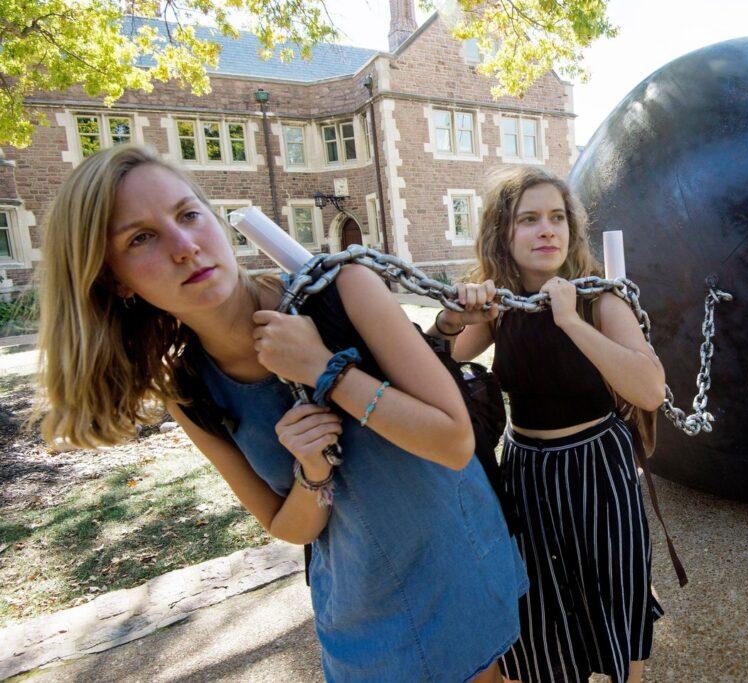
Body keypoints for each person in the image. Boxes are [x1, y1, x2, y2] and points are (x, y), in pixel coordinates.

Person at [34, 144, 527, 682]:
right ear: (115, 280)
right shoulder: (189, 389)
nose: (185, 247)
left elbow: (453, 442)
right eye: (141, 238)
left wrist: (326, 371)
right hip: (359, 611)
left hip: (456, 573)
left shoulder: (343, 290)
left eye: (188, 215)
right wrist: (312, 472)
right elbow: (285, 525)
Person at [426, 167, 668, 683]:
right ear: (504, 234)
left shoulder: (600, 300)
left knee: (616, 589)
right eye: (529, 219)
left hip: (597, 468)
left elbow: (650, 389)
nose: (547, 230)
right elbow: (430, 367)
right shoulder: (501, 307)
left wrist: (571, 320)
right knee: (537, 604)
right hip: (527, 472)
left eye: (557, 218)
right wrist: (450, 321)